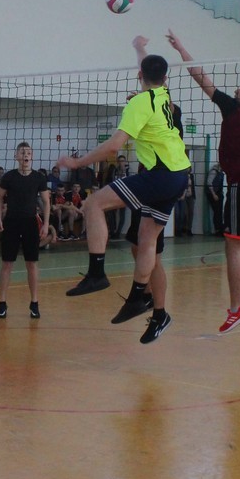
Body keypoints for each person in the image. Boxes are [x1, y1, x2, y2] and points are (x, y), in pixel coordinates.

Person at [59, 35, 190, 345]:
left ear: (139, 75)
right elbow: (150, 71)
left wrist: (78, 162)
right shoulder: (164, 95)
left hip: (160, 174)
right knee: (146, 240)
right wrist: (139, 48)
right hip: (180, 175)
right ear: (165, 78)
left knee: (94, 204)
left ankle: (97, 273)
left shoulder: (139, 103)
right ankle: (139, 300)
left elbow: (113, 146)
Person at [168, 31, 240, 334]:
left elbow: (200, 75)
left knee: (232, 246)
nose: (237, 89)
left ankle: (235, 308)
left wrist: (181, 48)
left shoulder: (235, 108)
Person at [0, 142, 51, 319]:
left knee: (32, 264)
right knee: (7, 263)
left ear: (31, 156)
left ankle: (34, 303)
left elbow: (46, 202)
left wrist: (46, 224)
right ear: (16, 156)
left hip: (30, 223)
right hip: (11, 222)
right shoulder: (9, 177)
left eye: (28, 152)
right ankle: (2, 303)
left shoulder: (39, 177)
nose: (25, 155)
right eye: (22, 152)